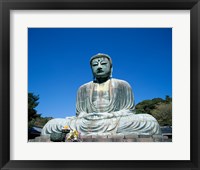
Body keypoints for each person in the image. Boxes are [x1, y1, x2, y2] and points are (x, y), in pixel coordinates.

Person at [41, 53, 161, 136]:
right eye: (95, 65)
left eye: (103, 64)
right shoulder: (83, 88)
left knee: (148, 121)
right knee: (52, 124)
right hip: (87, 122)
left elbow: (129, 111)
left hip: (114, 120)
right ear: (91, 69)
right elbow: (80, 114)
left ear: (111, 67)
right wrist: (89, 116)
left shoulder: (122, 85)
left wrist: (108, 116)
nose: (99, 67)